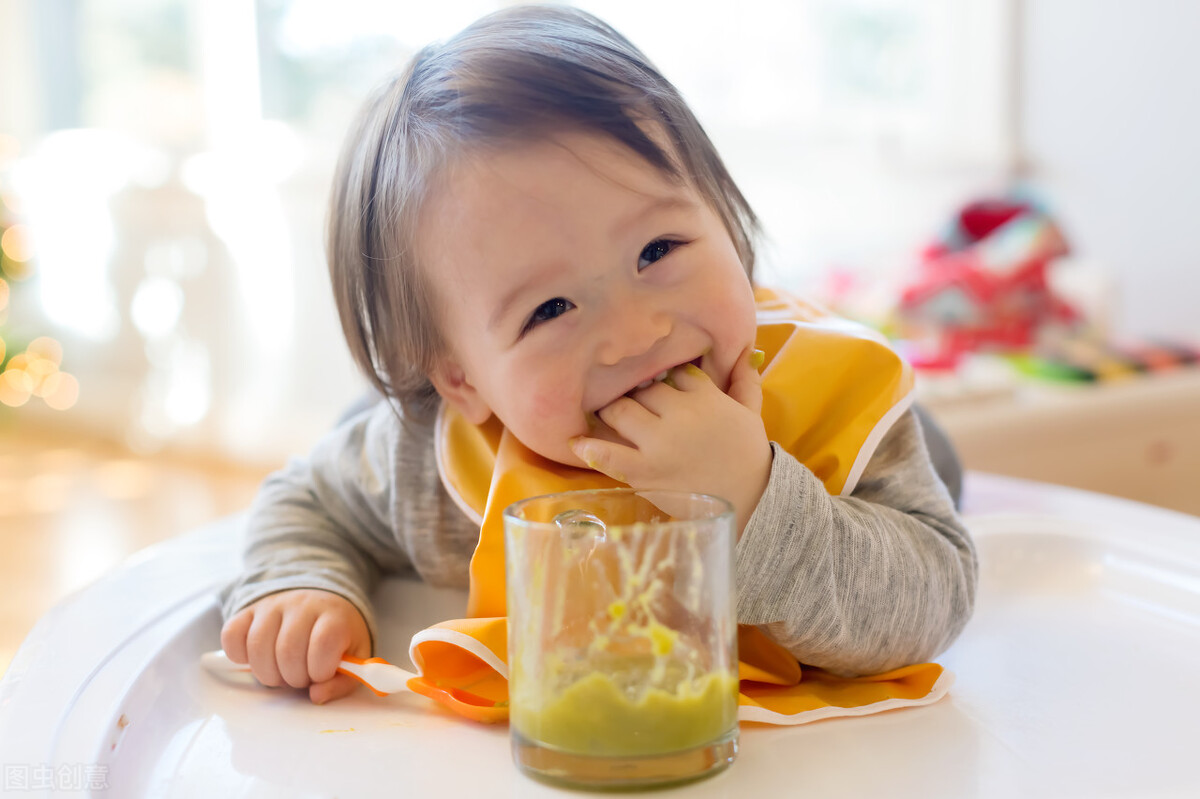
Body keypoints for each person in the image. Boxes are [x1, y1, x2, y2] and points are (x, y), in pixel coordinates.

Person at [220, 4, 977, 706]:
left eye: (660, 248)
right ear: (461, 378)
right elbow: (309, 498)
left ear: (726, 219)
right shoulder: (435, 468)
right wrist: (302, 587)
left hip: (837, 455)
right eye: (550, 309)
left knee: (938, 458)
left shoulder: (830, 417)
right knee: (360, 423)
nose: (636, 333)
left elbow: (934, 596)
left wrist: (756, 501)